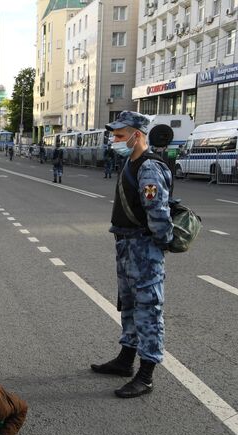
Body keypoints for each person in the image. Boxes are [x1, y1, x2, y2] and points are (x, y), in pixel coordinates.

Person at [91, 111, 173, 399]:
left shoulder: (149, 168)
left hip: (143, 248)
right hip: (127, 245)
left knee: (148, 309)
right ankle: (126, 360)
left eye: (120, 135)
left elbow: (159, 213)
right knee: (128, 304)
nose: (115, 140)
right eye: (115, 135)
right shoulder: (132, 161)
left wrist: (160, 244)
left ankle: (146, 374)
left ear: (137, 135)